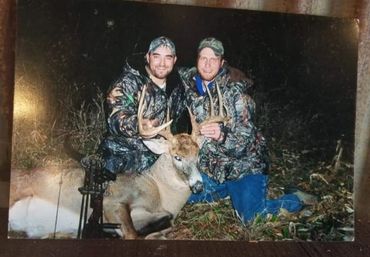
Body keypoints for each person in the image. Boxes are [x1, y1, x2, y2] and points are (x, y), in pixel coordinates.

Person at [178, 37, 317, 223]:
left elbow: (245, 142)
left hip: (244, 166)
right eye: (203, 58)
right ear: (197, 60)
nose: (208, 64)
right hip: (214, 169)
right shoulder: (189, 87)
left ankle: (295, 199)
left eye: (214, 59)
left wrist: (222, 136)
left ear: (222, 62)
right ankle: (229, 191)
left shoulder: (238, 95)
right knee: (180, 197)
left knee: (251, 217)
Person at [97, 36, 187, 181]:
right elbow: (116, 118)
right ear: (148, 57)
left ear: (174, 60)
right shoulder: (128, 82)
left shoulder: (177, 88)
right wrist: (137, 125)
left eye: (168, 58)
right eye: (156, 56)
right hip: (123, 155)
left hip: (158, 156)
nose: (162, 63)